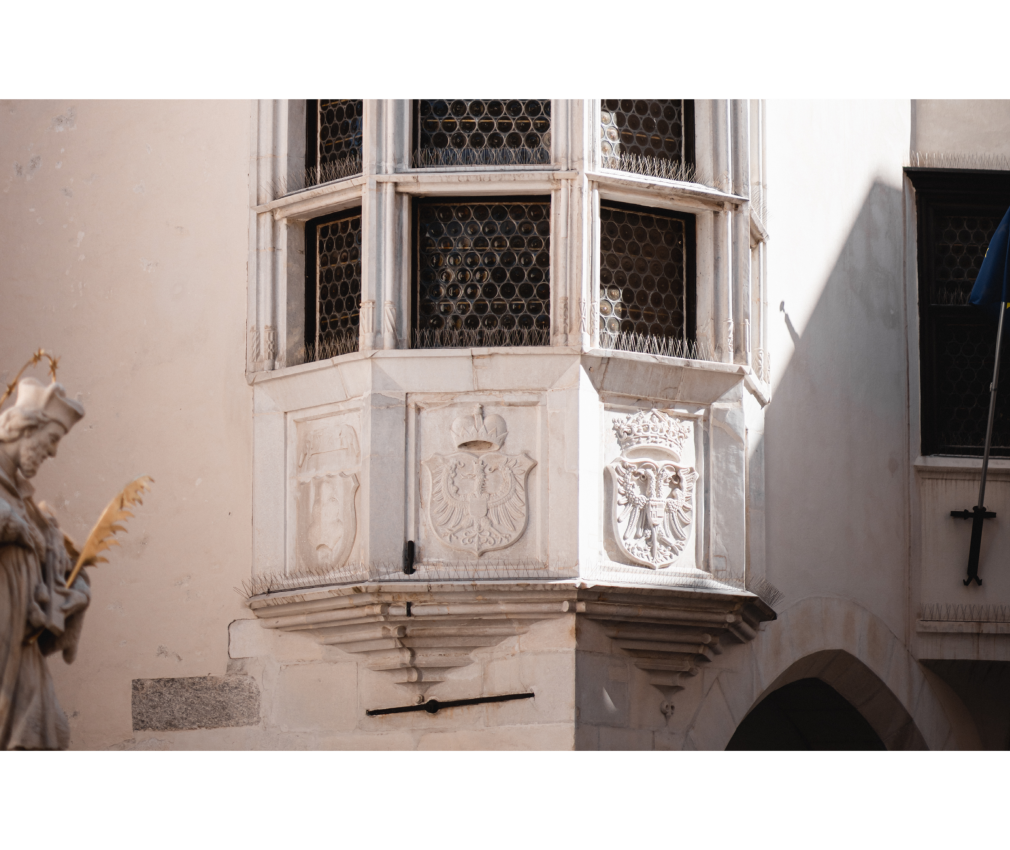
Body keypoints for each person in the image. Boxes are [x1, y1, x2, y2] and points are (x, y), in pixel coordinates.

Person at [0, 377, 87, 751]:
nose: (52, 453)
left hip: (21, 637)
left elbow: (54, 566)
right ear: (26, 427)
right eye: (51, 439)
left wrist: (74, 583)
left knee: (45, 731)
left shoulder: (24, 499)